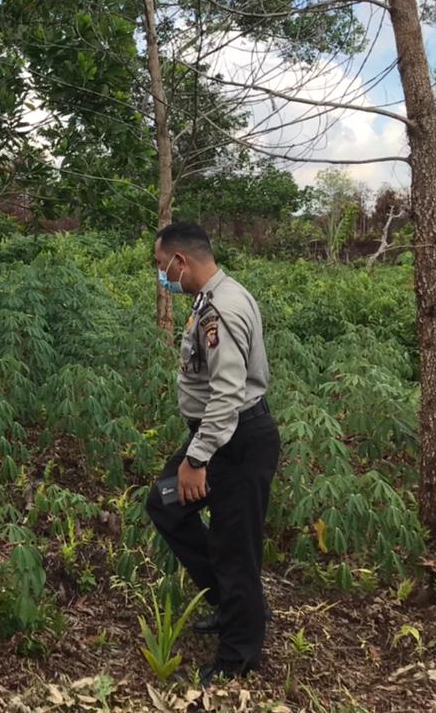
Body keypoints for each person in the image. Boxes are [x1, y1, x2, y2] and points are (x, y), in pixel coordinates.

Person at [146, 221, 279, 686]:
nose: (163, 276)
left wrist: (197, 459)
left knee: (233, 545)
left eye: (164, 267)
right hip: (217, 435)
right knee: (163, 503)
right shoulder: (212, 298)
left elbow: (227, 393)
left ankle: (239, 654)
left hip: (235, 440)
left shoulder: (220, 310)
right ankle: (232, 602)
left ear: (181, 261)